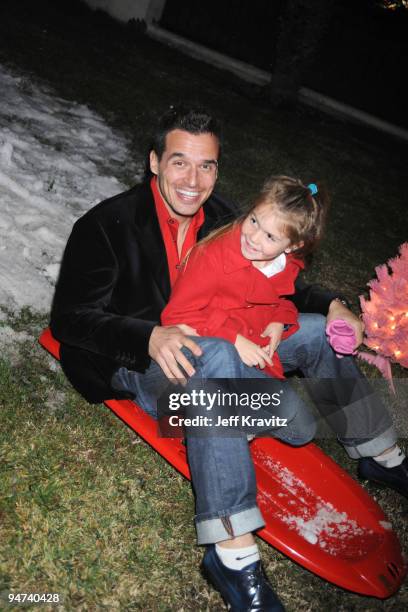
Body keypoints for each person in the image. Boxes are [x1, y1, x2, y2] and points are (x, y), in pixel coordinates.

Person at [51, 106, 407, 612]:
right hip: (143, 364)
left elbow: (281, 278)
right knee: (219, 361)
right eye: (179, 162)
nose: (193, 181)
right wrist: (149, 337)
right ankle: (232, 554)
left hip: (227, 344)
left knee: (315, 335)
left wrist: (332, 307)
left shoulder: (225, 216)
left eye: (207, 165)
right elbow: (69, 319)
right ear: (154, 162)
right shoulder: (106, 225)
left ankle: (378, 453)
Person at [161, 175, 328, 382]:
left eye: (270, 236)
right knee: (286, 410)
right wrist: (234, 340)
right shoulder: (213, 257)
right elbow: (176, 315)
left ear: (292, 246)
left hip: (256, 340)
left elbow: (277, 299)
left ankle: (362, 413)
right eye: (254, 220)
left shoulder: (284, 263)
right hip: (215, 348)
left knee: (320, 329)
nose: (253, 237)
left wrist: (280, 320)